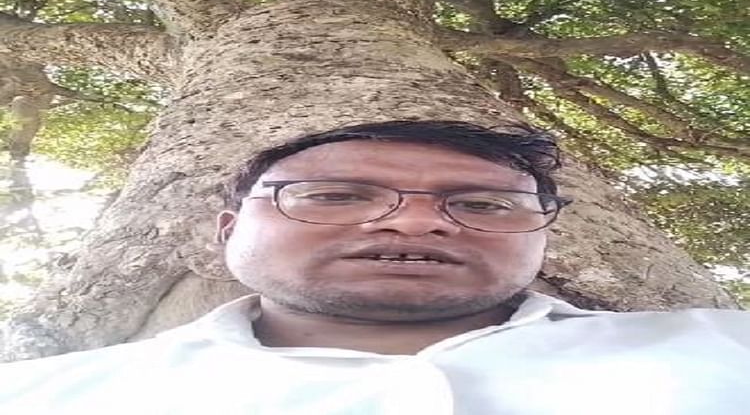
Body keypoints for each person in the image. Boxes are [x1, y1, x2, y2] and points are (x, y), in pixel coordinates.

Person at [1, 120, 748, 415]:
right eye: (335, 196)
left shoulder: (727, 344)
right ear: (228, 231)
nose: (416, 221)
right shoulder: (35, 396)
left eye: (483, 205)